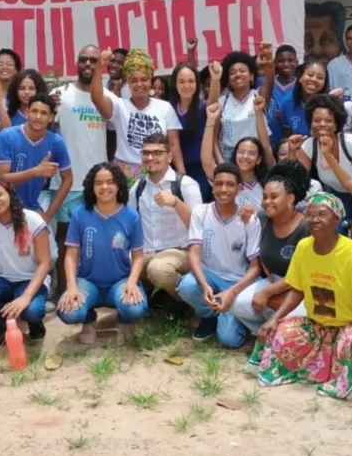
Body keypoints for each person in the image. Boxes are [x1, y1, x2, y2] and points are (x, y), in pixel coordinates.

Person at [250, 192, 352, 399]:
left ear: (336, 219)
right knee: (279, 331)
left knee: (350, 343)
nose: (314, 219)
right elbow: (297, 290)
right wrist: (275, 318)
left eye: (322, 214)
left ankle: (346, 380)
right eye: (309, 215)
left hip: (351, 325)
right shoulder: (303, 247)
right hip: (318, 324)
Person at [45, 45, 118, 295]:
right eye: (84, 60)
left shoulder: (108, 98)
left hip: (97, 183)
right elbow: (47, 132)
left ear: (101, 65)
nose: (89, 65)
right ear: (76, 62)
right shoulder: (59, 94)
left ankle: (91, 288)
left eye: (94, 61)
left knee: (96, 238)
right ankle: (63, 288)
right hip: (65, 181)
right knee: (65, 238)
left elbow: (114, 134)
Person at [57, 163, 148, 344]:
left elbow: (138, 256)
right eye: (98, 183)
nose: (104, 187)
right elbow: (70, 254)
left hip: (119, 281)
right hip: (88, 282)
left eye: (110, 182)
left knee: (135, 309)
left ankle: (124, 321)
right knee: (69, 312)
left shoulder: (131, 216)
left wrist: (131, 282)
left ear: (119, 185)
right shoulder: (80, 214)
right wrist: (71, 285)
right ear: (92, 186)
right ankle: (88, 319)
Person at [177, 163, 262, 346]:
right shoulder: (201, 212)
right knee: (187, 286)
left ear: (239, 188)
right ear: (213, 186)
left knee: (229, 340)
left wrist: (232, 292)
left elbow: (255, 267)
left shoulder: (249, 219)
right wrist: (205, 284)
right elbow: (194, 253)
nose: (223, 189)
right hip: (210, 273)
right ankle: (209, 315)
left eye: (230, 184)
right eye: (219, 183)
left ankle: (233, 314)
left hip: (236, 280)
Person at [0, 178, 52, 349]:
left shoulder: (32, 219)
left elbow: (45, 263)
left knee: (33, 311)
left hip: (30, 279)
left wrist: (26, 297)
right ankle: (3, 326)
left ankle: (34, 323)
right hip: (1, 279)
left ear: (10, 194)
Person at [230, 160, 310, 335]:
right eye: (264, 196)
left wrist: (267, 293)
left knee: (293, 326)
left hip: (301, 289)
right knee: (238, 304)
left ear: (290, 198)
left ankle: (279, 334)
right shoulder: (262, 218)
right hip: (273, 281)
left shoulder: (306, 227)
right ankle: (266, 335)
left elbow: (303, 275)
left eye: (273, 197)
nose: (267, 202)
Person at [126, 133, 204, 307]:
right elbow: (130, 226)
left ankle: (189, 303)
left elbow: (199, 227)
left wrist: (175, 202)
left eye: (157, 153)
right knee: (118, 265)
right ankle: (153, 299)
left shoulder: (185, 184)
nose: (150, 157)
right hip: (147, 252)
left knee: (159, 269)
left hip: (180, 251)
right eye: (146, 153)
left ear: (169, 156)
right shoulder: (137, 188)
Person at [92, 48, 184, 175]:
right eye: (134, 80)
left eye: (144, 79)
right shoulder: (119, 106)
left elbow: (173, 144)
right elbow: (97, 98)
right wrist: (98, 67)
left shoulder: (165, 107)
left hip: (157, 171)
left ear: (151, 80)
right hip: (125, 173)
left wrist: (182, 176)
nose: (139, 84)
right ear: (127, 83)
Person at [292, 94, 352, 229]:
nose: (322, 124)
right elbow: (296, 182)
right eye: (317, 120)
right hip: (335, 195)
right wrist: (292, 152)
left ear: (336, 125)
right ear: (310, 124)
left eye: (328, 120)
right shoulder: (308, 146)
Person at [0, 93, 74, 222]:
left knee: (48, 241)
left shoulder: (56, 141)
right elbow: (2, 178)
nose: (38, 117)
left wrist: (49, 214)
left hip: (33, 207)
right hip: (6, 208)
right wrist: (36, 172)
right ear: (27, 112)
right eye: (34, 111)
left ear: (51, 118)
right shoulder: (7, 136)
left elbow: (68, 179)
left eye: (43, 113)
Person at [202, 97, 273, 211]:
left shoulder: (268, 180)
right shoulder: (225, 177)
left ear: (259, 159)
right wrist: (210, 120)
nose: (245, 156)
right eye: (241, 152)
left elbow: (265, 144)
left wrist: (258, 112)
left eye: (251, 153)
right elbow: (207, 162)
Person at [168, 62, 212, 202]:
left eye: (191, 81)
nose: (186, 86)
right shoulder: (168, 108)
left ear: (198, 84)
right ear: (175, 84)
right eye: (181, 81)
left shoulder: (204, 107)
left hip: (200, 169)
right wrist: (182, 175)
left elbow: (214, 100)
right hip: (175, 169)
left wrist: (216, 80)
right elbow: (173, 143)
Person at [266, 60, 331, 148]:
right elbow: (287, 134)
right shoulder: (287, 103)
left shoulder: (330, 105)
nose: (314, 79)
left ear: (324, 83)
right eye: (310, 75)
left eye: (319, 77)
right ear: (300, 78)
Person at [209, 51, 261, 160]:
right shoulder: (222, 102)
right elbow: (214, 137)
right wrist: (221, 161)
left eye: (242, 71)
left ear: (251, 76)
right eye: (232, 73)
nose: (237, 75)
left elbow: (270, 80)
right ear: (228, 80)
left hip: (255, 156)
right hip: (229, 157)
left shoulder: (259, 96)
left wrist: (269, 62)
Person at [327, 25, 352, 101]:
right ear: (345, 40)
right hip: (340, 109)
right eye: (349, 38)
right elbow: (328, 91)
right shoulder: (334, 65)